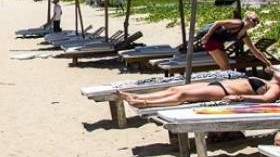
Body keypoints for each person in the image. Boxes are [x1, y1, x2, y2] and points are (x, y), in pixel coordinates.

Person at [119, 71, 280, 108]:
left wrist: (240, 98)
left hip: (225, 92)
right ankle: (137, 96)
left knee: (183, 95)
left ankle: (145, 103)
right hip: (219, 84)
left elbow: (267, 99)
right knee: (174, 88)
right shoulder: (268, 79)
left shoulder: (275, 87)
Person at [200, 11, 272, 70]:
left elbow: (254, 51)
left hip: (216, 42)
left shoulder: (244, 35)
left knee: (225, 67)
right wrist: (207, 36)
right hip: (211, 39)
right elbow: (218, 23)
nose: (255, 23)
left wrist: (267, 62)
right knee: (226, 67)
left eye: (257, 22)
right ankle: (227, 84)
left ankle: (225, 84)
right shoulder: (238, 23)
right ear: (247, 19)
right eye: (254, 20)